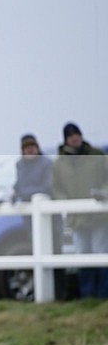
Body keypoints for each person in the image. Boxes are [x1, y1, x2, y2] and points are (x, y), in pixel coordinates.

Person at [51, 122, 108, 298]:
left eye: (76, 134)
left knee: (100, 253)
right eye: (70, 136)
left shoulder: (97, 156)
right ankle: (87, 295)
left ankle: (103, 294)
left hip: (98, 215)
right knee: (82, 254)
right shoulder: (59, 163)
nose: (74, 138)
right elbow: (56, 187)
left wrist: (103, 194)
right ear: (66, 139)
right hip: (76, 217)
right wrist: (65, 203)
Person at [13, 134, 66, 298]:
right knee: (37, 253)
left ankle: (60, 292)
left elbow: (46, 188)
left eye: (32, 146)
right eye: (26, 147)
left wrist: (23, 193)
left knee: (54, 254)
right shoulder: (19, 165)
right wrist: (13, 195)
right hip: (30, 221)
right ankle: (42, 292)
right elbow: (18, 185)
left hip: (50, 219)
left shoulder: (47, 163)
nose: (30, 150)